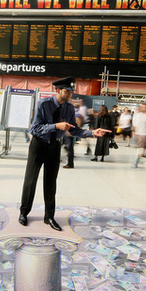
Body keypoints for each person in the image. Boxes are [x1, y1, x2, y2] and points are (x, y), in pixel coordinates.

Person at [19, 77, 110, 231]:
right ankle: (24, 213)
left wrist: (92, 133)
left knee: (51, 182)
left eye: (71, 92)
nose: (70, 95)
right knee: (30, 180)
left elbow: (74, 130)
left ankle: (49, 217)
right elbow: (34, 129)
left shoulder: (69, 108)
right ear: (58, 90)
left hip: (54, 147)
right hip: (38, 145)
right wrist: (56, 126)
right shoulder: (44, 104)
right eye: (67, 91)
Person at [131, 103, 146, 168]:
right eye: (142, 107)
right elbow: (135, 124)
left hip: (145, 134)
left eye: (144, 107)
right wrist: (134, 132)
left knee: (140, 149)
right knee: (142, 150)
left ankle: (135, 163)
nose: (143, 108)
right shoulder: (137, 115)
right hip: (138, 134)